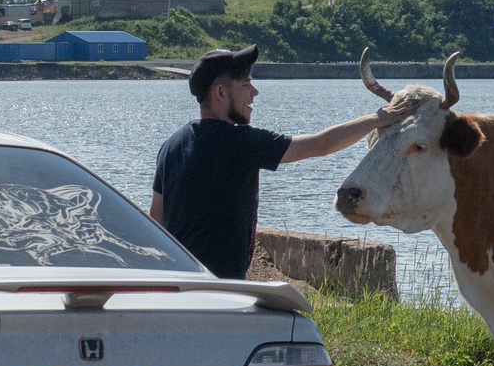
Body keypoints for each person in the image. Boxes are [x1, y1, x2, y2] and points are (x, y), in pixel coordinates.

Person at [150, 44, 409, 280]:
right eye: (245, 85)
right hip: (220, 288)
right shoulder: (240, 142)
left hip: (181, 280)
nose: (255, 92)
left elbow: (157, 217)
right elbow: (320, 144)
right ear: (220, 92)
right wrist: (379, 118)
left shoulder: (171, 145)